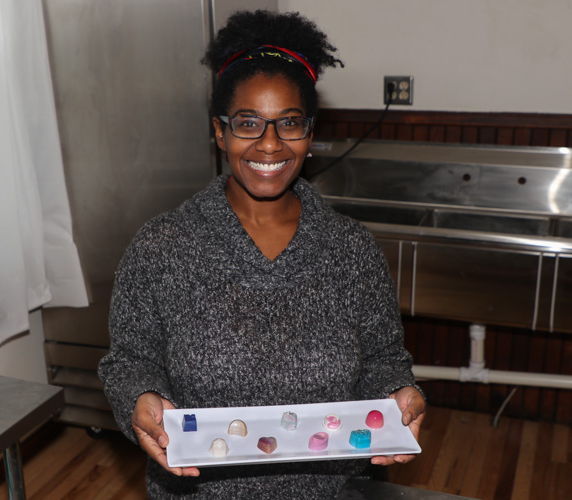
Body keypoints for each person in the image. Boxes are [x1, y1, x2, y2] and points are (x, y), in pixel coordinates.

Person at [98, 9, 425, 499]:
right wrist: (139, 398)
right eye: (248, 122)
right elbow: (129, 359)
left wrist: (401, 392)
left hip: (332, 493)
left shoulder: (351, 250)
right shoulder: (160, 248)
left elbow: (383, 358)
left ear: (310, 133)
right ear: (220, 132)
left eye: (289, 123)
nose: (270, 144)